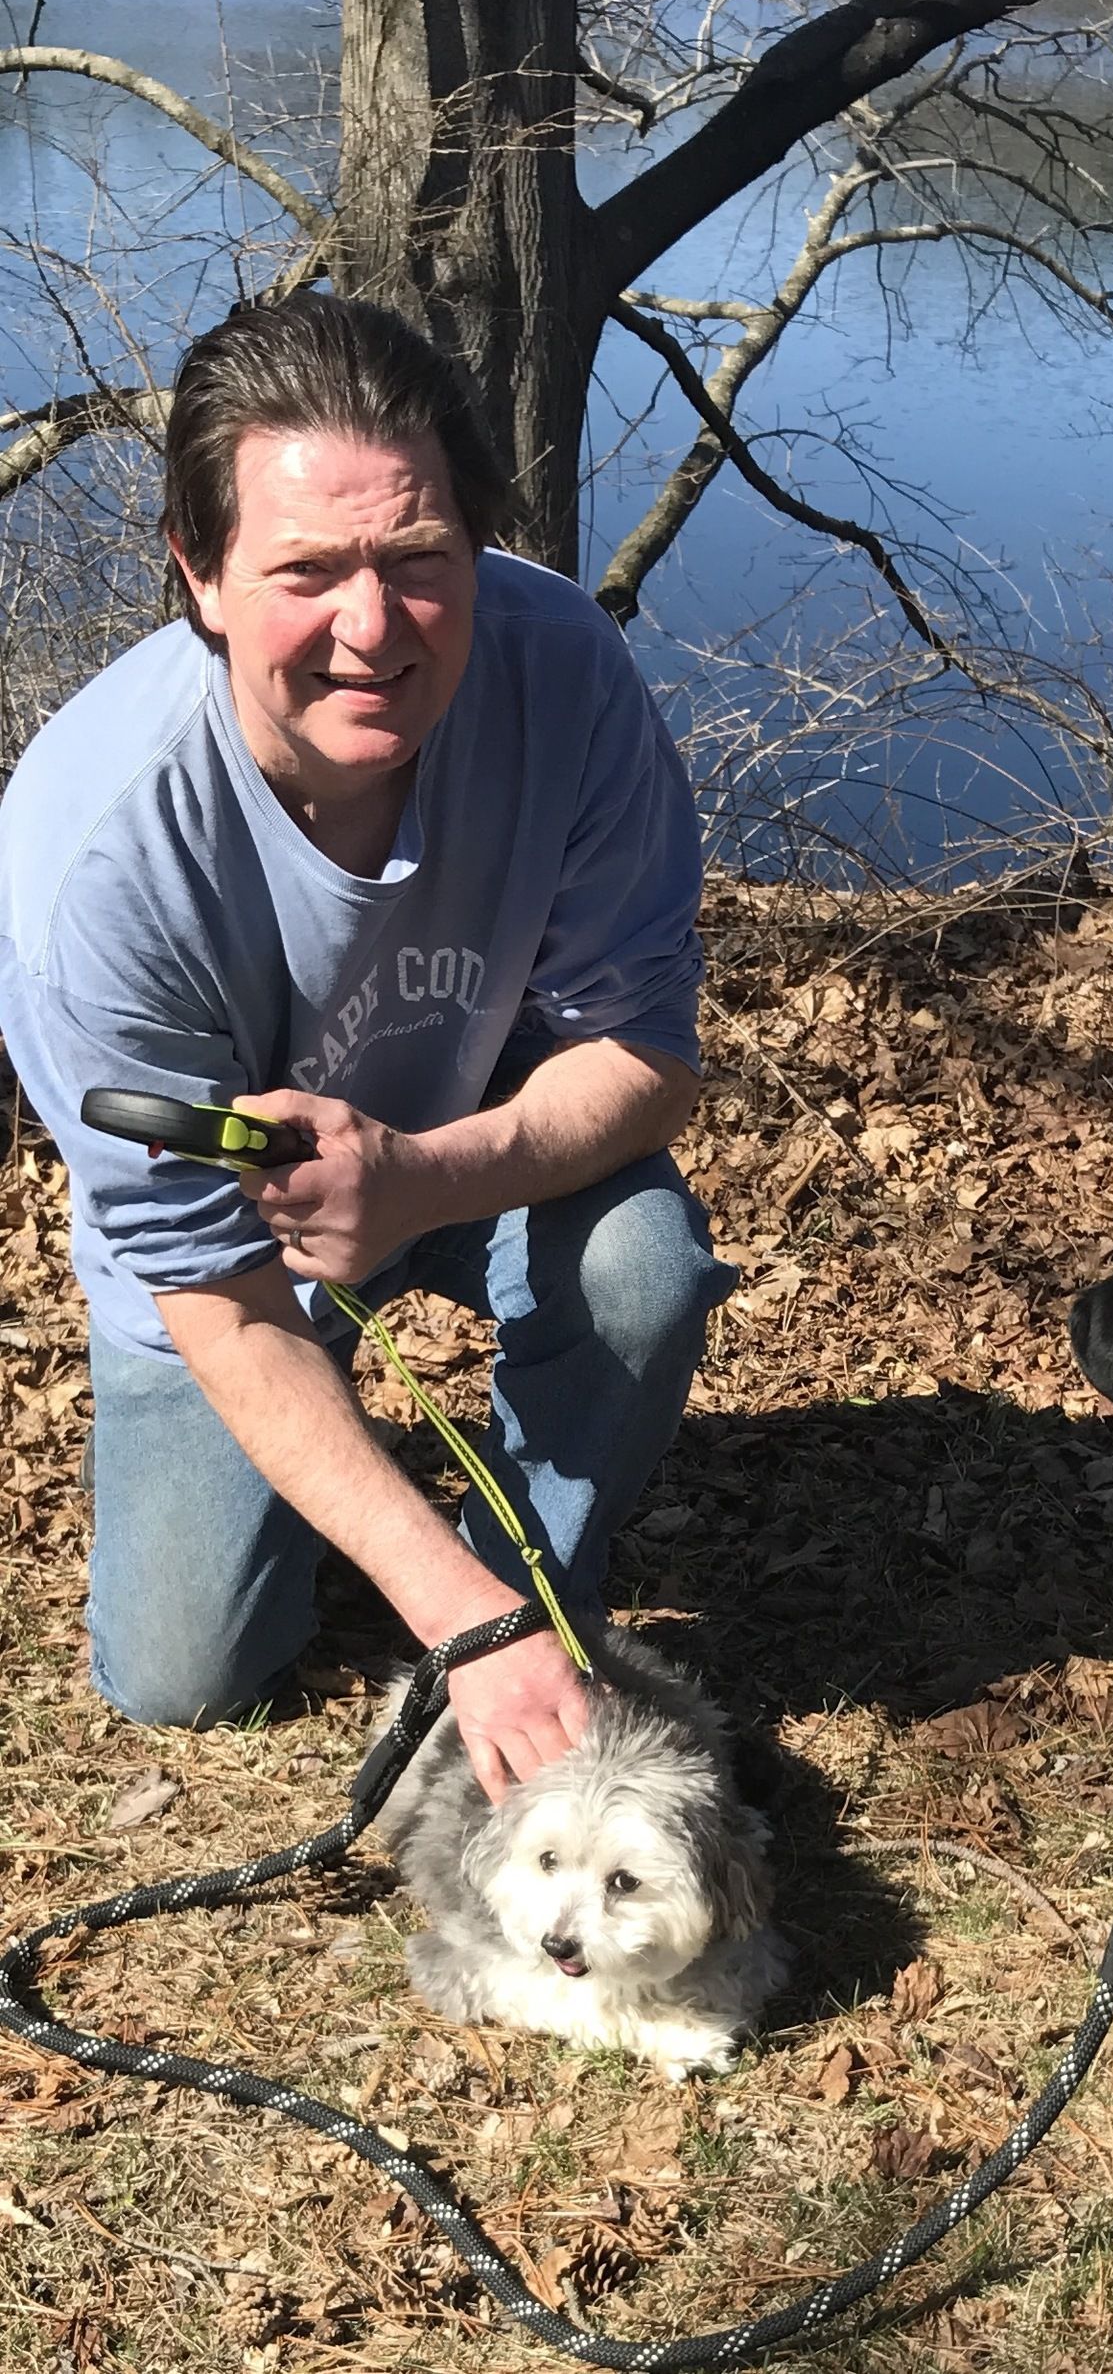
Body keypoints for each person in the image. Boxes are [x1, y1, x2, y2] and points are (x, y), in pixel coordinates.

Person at [0, 293, 737, 1802]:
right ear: (200, 571)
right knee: (185, 1682)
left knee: (643, 1265)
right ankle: (453, 1596)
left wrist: (418, 1178)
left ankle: (531, 1586)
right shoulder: (95, 855)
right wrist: (442, 1609)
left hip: (461, 1154)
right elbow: (210, 1284)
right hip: (236, 1263)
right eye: (307, 571)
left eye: (418, 559)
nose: (373, 626)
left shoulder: (564, 672)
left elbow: (647, 1052)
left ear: (476, 542)